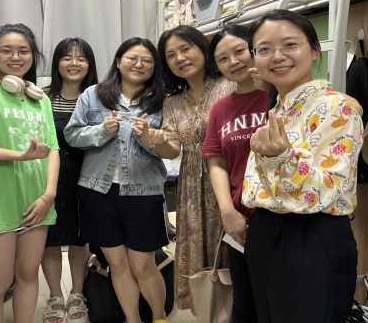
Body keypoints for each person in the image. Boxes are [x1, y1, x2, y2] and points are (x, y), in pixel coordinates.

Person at [242, 9, 362, 323]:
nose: (277, 56)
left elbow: (326, 191)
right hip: (266, 230)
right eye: (264, 49)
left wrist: (281, 158)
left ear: (314, 50)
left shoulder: (337, 107)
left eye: (290, 45)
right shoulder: (279, 107)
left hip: (311, 237)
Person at [64, 38, 169, 323]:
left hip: (143, 191)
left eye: (147, 60)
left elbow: (170, 147)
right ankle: (132, 319)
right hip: (97, 191)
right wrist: (101, 131)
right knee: (117, 263)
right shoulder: (93, 95)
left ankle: (159, 316)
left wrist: (148, 137)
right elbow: (72, 134)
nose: (139, 64)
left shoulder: (162, 100)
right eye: (132, 58)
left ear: (154, 67)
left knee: (143, 264)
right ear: (119, 61)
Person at [0, 23, 59, 323]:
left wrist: (48, 195)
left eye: (23, 51)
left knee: (28, 274)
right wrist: (22, 155)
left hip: (37, 200)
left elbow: (53, 149)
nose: (16, 57)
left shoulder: (40, 99)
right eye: (6, 50)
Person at [146, 25, 234, 311]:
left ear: (202, 48)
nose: (180, 58)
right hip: (192, 185)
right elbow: (173, 149)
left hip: (230, 174)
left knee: (233, 250)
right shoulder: (172, 102)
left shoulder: (229, 85)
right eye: (171, 55)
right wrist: (157, 141)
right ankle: (210, 310)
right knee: (200, 254)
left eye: (185, 49)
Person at [201, 24, 269, 322]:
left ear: (255, 48)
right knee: (245, 302)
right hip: (241, 217)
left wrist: (271, 88)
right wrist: (227, 210)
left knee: (278, 301)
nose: (233, 62)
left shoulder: (282, 94)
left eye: (239, 51)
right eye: (222, 59)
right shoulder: (221, 108)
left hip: (283, 216)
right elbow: (216, 161)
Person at [41, 38, 98, 323]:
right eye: (67, 57)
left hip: (87, 177)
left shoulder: (99, 98)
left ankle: (77, 293)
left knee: (80, 237)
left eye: (81, 58)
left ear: (90, 64)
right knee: (49, 239)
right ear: (57, 63)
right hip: (47, 178)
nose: (74, 63)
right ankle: (55, 295)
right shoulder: (41, 97)